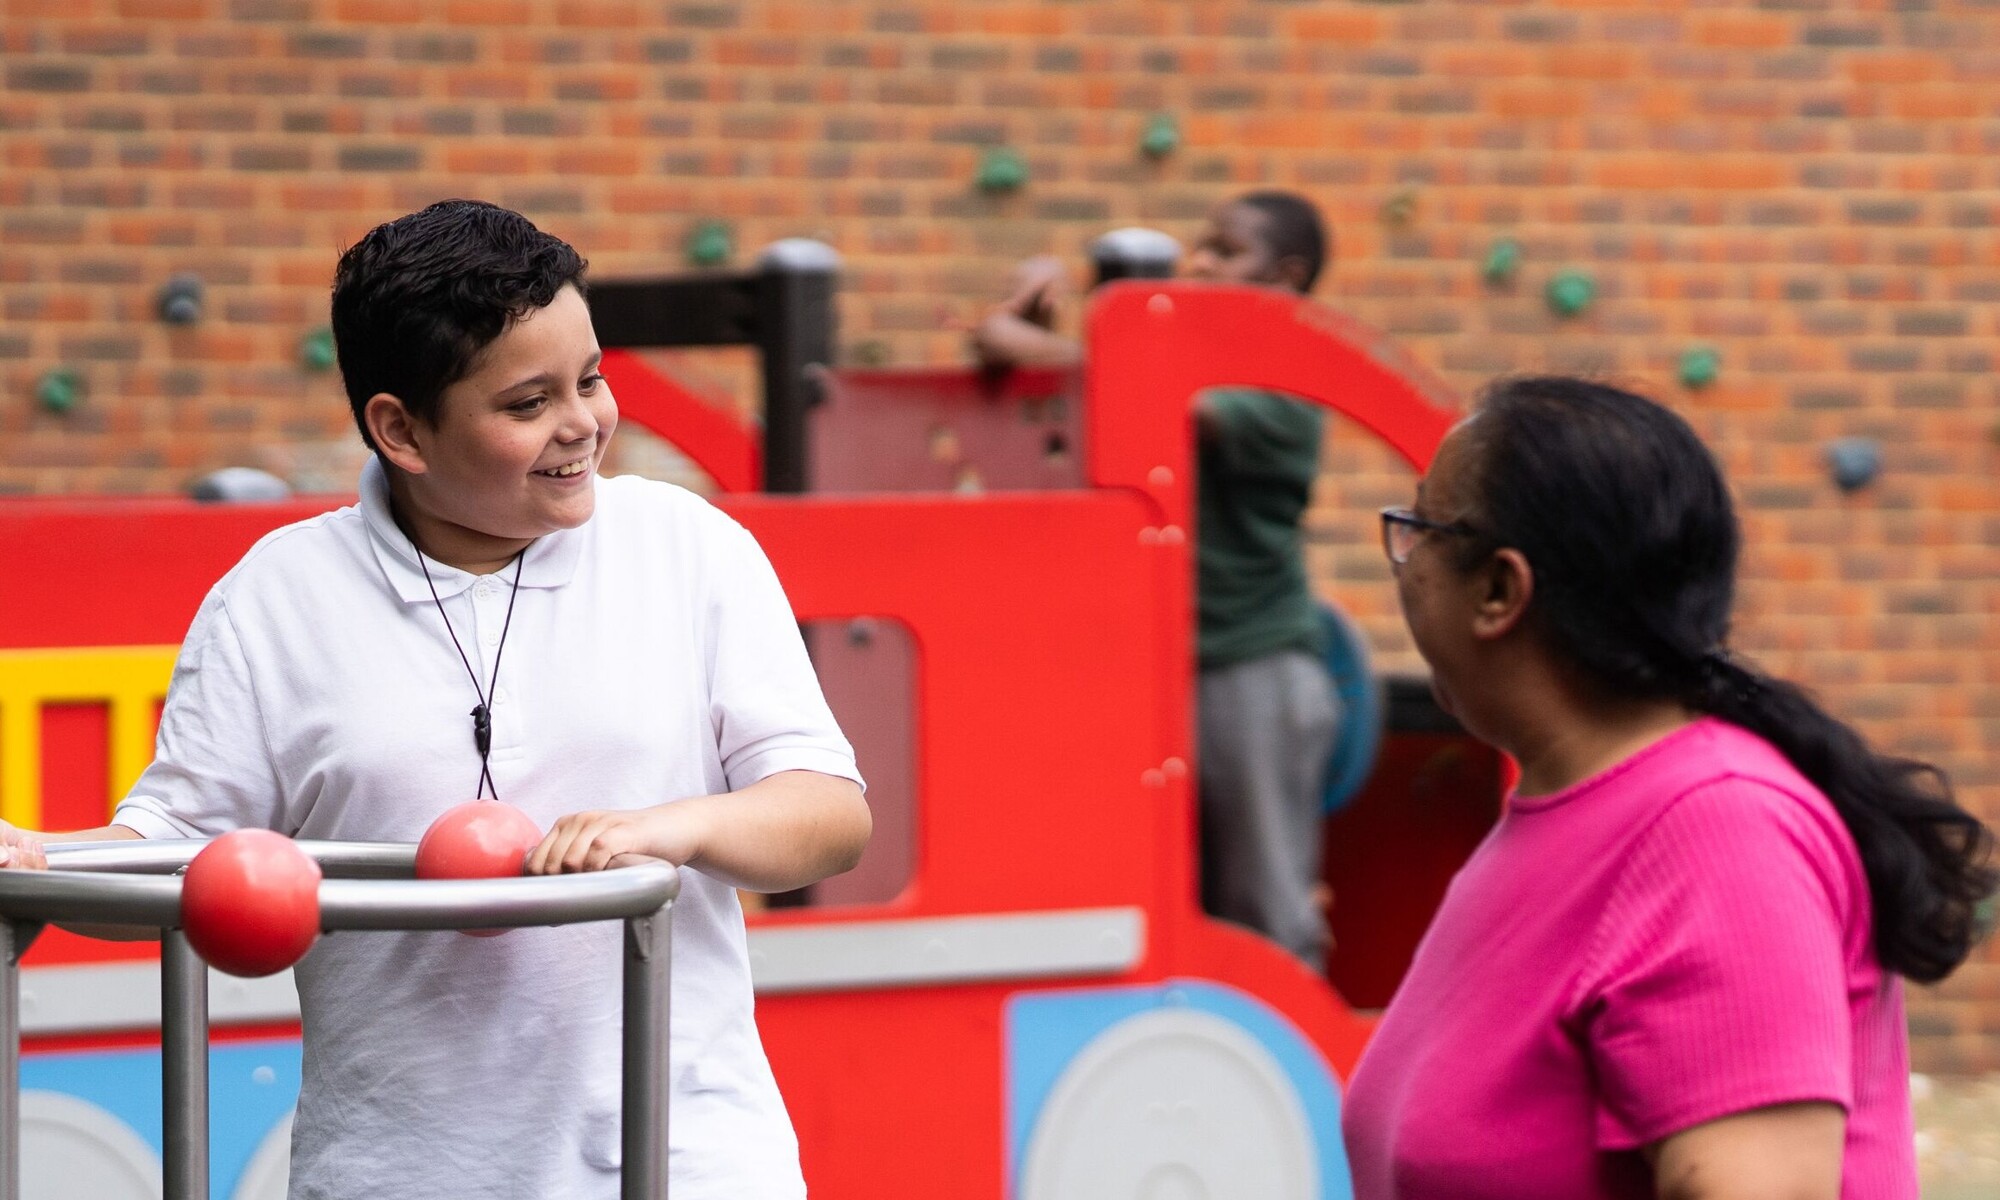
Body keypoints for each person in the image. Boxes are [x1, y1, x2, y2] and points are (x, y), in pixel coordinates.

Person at [0, 200, 872, 1200]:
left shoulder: (689, 546)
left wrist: (673, 828)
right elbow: (174, 848)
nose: (583, 425)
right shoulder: (276, 598)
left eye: (590, 380)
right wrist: (41, 856)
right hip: (399, 1175)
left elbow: (829, 814)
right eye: (528, 403)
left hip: (685, 1165)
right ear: (401, 430)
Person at [1342, 376, 1994, 1199]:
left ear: (1501, 590)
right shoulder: (1563, 815)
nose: (1403, 562)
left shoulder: (1720, 831)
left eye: (1419, 530)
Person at [971, 191, 1341, 969]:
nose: (1199, 261)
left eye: (1226, 251)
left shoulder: (1285, 382)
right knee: (1165, 898)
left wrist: (1022, 342)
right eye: (1201, 244)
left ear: (1285, 277)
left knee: (1266, 903)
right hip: (1164, 670)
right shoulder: (1200, 357)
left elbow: (1152, 396)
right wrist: (1035, 315)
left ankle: (1298, 1037)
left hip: (1250, 667)